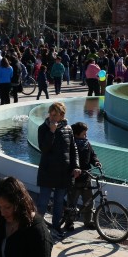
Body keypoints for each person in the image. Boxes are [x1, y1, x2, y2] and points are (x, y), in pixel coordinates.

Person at [35, 102, 79, 239]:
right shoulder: (43, 128)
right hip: (47, 171)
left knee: (59, 202)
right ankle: (37, 229)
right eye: (50, 114)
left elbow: (73, 149)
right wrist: (52, 132)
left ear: (62, 115)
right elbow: (44, 148)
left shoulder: (68, 129)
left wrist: (76, 166)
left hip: (63, 172)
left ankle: (55, 227)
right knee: (43, 202)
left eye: (55, 114)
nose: (52, 117)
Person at [65, 122, 101, 231]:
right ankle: (69, 223)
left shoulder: (87, 144)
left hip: (86, 177)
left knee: (89, 201)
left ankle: (88, 221)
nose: (86, 136)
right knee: (72, 202)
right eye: (84, 134)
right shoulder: (71, 145)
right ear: (76, 134)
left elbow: (93, 155)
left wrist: (96, 162)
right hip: (75, 179)